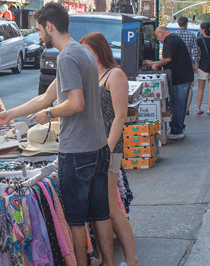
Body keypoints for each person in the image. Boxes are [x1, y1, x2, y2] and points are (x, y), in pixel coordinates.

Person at [0, 2, 115, 266]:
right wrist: (9, 114)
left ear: (50, 26)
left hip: (78, 152)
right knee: (101, 214)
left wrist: (49, 115)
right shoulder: (82, 53)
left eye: (39, 29)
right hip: (98, 147)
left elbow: (75, 103)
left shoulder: (67, 57)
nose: (38, 36)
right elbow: (47, 97)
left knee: (76, 220)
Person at [80, 32, 139, 266]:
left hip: (108, 149)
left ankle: (132, 259)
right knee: (99, 204)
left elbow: (120, 115)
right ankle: (102, 256)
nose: (84, 55)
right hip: (91, 147)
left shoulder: (115, 74)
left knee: (111, 206)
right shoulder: (91, 75)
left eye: (87, 50)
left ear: (98, 49)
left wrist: (107, 149)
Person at [143, 26, 194, 140]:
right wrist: (152, 63)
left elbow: (167, 59)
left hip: (180, 78)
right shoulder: (174, 38)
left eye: (157, 36)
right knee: (180, 104)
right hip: (184, 77)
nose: (158, 39)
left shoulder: (169, 40)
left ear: (161, 32)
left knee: (177, 104)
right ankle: (179, 127)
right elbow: (168, 59)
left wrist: (156, 65)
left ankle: (177, 130)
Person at [174, 16, 199, 115]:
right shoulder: (191, 35)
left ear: (178, 24)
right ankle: (187, 108)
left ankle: (177, 107)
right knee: (189, 86)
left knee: (176, 86)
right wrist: (195, 63)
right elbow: (195, 51)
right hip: (188, 63)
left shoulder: (174, 35)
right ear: (186, 24)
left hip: (176, 63)